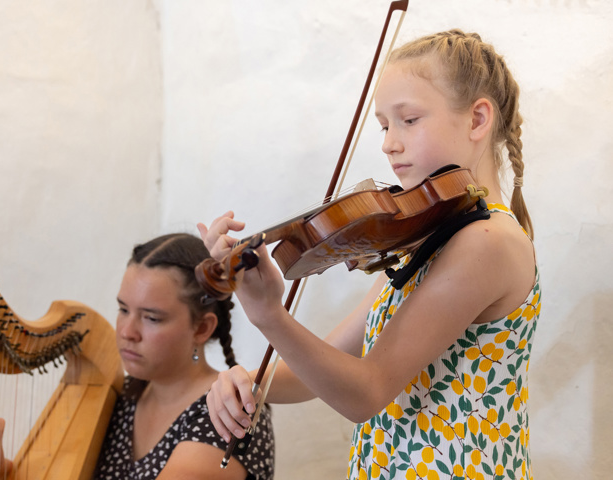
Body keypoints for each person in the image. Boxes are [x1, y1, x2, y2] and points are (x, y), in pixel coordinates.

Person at [200, 30, 539, 480]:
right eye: (383, 125)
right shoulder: (431, 239)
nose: (388, 143)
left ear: (477, 120)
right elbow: (332, 364)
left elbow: (367, 390)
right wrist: (252, 382)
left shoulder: (489, 241)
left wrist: (269, 317)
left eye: (409, 120)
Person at [0, 233, 275, 480]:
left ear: (202, 328)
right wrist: (7, 473)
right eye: (123, 309)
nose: (127, 331)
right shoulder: (124, 397)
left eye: (151, 317)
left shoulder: (229, 412)